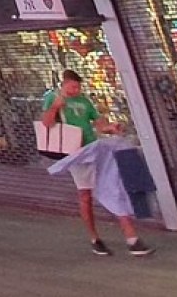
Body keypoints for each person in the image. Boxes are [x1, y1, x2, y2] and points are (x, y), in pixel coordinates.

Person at [41, 67, 150, 255]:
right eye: (73, 87)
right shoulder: (54, 98)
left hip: (93, 148)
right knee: (85, 194)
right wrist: (55, 107)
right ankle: (95, 238)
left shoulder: (85, 101)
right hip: (75, 151)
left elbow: (99, 124)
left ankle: (132, 239)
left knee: (113, 187)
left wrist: (111, 128)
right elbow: (46, 123)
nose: (76, 90)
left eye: (78, 87)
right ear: (64, 84)